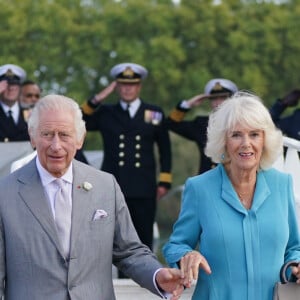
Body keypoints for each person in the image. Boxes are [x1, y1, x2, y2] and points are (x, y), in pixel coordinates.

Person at [0, 94, 185, 300]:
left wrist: (157, 275)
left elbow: (129, 250)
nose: (56, 145)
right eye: (47, 134)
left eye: (64, 134)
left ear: (80, 138)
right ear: (32, 137)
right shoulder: (5, 194)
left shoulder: (106, 186)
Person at [163, 92, 300, 300]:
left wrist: (297, 265)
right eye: (236, 135)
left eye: (254, 134)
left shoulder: (282, 184)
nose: (246, 143)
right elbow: (175, 246)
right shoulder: (200, 188)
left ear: (264, 140)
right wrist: (186, 255)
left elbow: (294, 247)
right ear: (224, 141)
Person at [81, 62, 172, 250]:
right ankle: (120, 280)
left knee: (143, 237)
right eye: (123, 84)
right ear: (116, 87)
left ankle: (146, 279)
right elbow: (79, 120)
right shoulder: (106, 112)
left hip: (144, 186)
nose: (127, 89)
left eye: (131, 85)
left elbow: (165, 148)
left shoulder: (153, 112)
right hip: (114, 184)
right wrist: (98, 98)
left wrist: (164, 180)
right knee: (116, 240)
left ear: (139, 86)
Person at [166, 78, 238, 174]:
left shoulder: (243, 123)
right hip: (207, 181)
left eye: (222, 98)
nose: (218, 102)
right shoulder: (202, 124)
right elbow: (171, 124)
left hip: (236, 181)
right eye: (213, 98)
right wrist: (188, 105)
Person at [0, 63, 29, 142]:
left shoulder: (30, 113)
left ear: (20, 87)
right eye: (6, 84)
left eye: (14, 84)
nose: (11, 88)